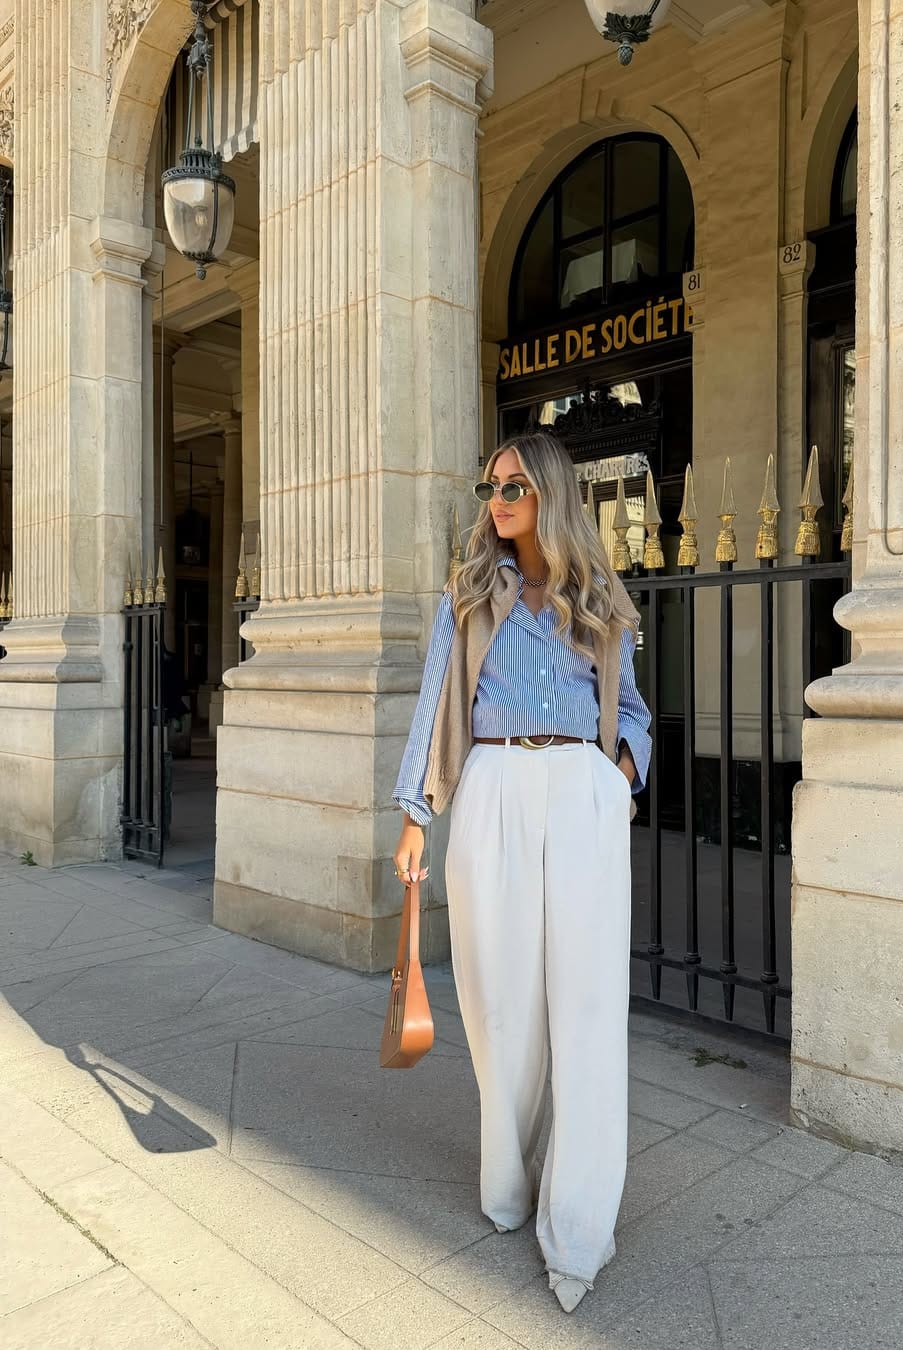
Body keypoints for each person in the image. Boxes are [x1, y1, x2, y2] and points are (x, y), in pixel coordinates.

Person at [393, 431, 652, 1314]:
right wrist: (416, 814)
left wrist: (619, 777)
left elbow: (631, 709)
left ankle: (577, 1224)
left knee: (585, 1010)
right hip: (493, 787)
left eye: (514, 486)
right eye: (490, 487)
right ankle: (507, 1175)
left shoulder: (600, 597)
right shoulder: (468, 594)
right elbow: (436, 704)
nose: (498, 501)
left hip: (580, 792)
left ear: (550, 493)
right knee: (496, 1003)